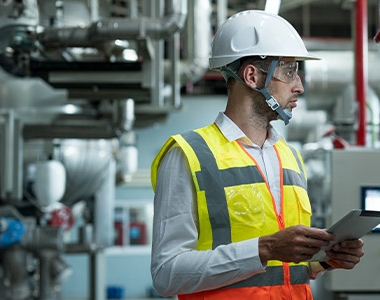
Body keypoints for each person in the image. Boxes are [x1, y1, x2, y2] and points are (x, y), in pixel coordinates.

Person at [150, 10, 365, 299]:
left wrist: (324, 260)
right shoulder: (188, 155)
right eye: (289, 71)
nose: (299, 85)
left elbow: (284, 271)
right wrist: (264, 249)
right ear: (252, 75)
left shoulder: (288, 156)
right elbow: (167, 274)